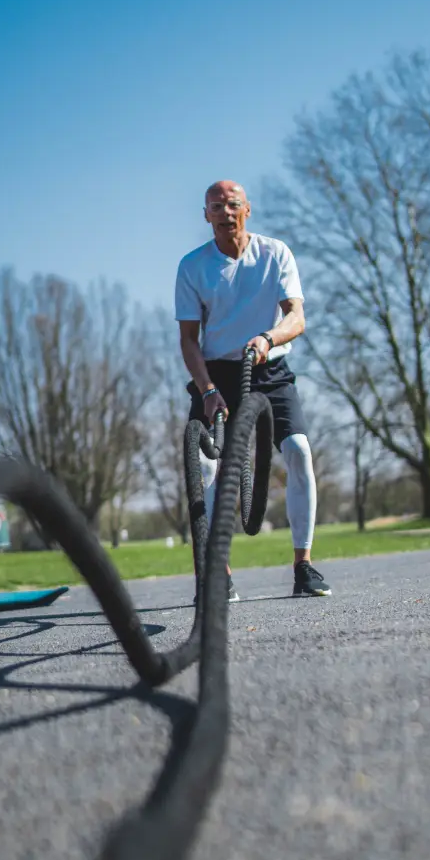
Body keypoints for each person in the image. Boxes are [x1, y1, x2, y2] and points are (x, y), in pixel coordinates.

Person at [175, 179, 331, 601]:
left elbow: (296, 317)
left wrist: (269, 338)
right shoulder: (193, 266)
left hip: (269, 368)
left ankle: (304, 566)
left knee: (298, 450)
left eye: (232, 204)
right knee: (207, 469)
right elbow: (189, 339)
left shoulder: (275, 253)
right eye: (215, 207)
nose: (224, 212)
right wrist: (207, 390)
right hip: (216, 378)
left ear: (247, 209)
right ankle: (219, 575)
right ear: (205, 216)